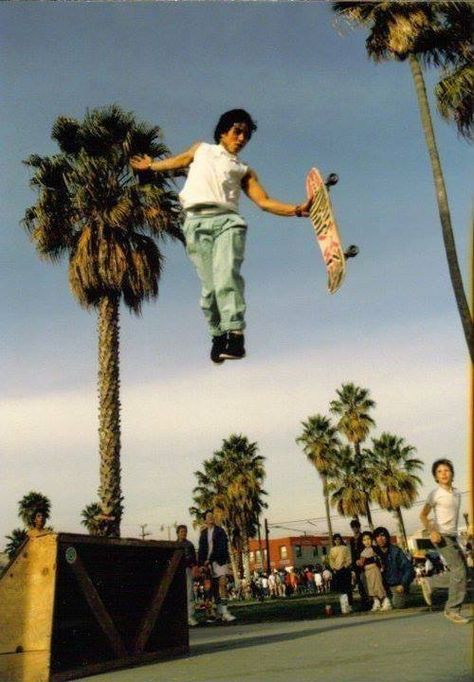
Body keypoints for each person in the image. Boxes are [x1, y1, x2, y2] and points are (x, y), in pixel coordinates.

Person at [130, 109, 312, 363]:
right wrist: (151, 166)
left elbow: (264, 202)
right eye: (237, 132)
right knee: (210, 290)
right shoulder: (202, 149)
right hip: (195, 223)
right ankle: (218, 335)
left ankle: (235, 335)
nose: (241, 139)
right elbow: (179, 160)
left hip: (228, 223)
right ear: (223, 132)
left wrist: (296, 210)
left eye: (246, 136)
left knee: (227, 277)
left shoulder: (244, 170)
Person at [419, 458, 469, 624]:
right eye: (439, 472)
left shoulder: (457, 494)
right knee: (459, 570)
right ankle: (452, 610)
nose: (443, 474)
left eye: (446, 470)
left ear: (452, 473)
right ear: (435, 477)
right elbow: (423, 515)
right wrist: (432, 531)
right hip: (441, 536)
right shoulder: (435, 494)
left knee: (462, 571)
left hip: (453, 536)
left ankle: (430, 582)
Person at [197, 509, 236, 622]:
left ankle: (225, 611)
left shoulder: (220, 531)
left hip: (220, 561)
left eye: (212, 516)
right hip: (208, 564)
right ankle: (219, 613)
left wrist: (210, 559)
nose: (211, 518)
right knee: (213, 589)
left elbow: (222, 547)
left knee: (222, 584)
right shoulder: (203, 534)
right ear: (205, 520)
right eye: (208, 516)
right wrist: (201, 564)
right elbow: (201, 550)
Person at [373, 527, 415, 609]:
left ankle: (402, 595)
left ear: (387, 537)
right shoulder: (374, 552)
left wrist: (403, 584)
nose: (380, 539)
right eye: (377, 537)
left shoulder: (395, 551)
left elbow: (408, 568)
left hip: (396, 584)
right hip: (381, 586)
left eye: (382, 536)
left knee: (398, 605)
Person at [358, 531, 390, 612]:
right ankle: (376, 602)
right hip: (367, 571)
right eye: (364, 540)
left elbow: (381, 558)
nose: (367, 541)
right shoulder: (363, 551)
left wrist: (381, 567)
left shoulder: (375, 549)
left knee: (378, 586)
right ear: (362, 542)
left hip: (374, 569)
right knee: (371, 587)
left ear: (371, 539)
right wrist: (358, 562)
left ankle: (386, 601)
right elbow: (361, 563)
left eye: (368, 539)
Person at [176, 524, 198, 626]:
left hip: (187, 570)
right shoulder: (174, 545)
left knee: (189, 594)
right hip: (177, 572)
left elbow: (194, 560)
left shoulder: (190, 545)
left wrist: (194, 569)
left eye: (185, 531)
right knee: (178, 594)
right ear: (177, 533)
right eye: (181, 531)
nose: (183, 533)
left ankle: (190, 616)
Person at [349, 519, 370, 610]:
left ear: (359, 527)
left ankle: (370, 600)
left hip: (364, 562)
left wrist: (362, 560)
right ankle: (364, 602)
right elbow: (352, 553)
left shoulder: (363, 537)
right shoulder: (351, 540)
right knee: (360, 584)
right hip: (356, 565)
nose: (354, 529)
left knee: (366, 582)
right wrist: (353, 565)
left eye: (356, 527)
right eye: (353, 527)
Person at [328, 534, 353, 611]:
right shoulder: (332, 550)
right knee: (341, 589)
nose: (337, 541)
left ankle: (350, 605)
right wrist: (334, 568)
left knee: (348, 588)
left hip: (345, 570)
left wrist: (345, 566)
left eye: (339, 539)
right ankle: (344, 606)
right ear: (334, 541)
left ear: (341, 540)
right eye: (336, 539)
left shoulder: (345, 548)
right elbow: (331, 560)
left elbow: (349, 558)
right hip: (337, 571)